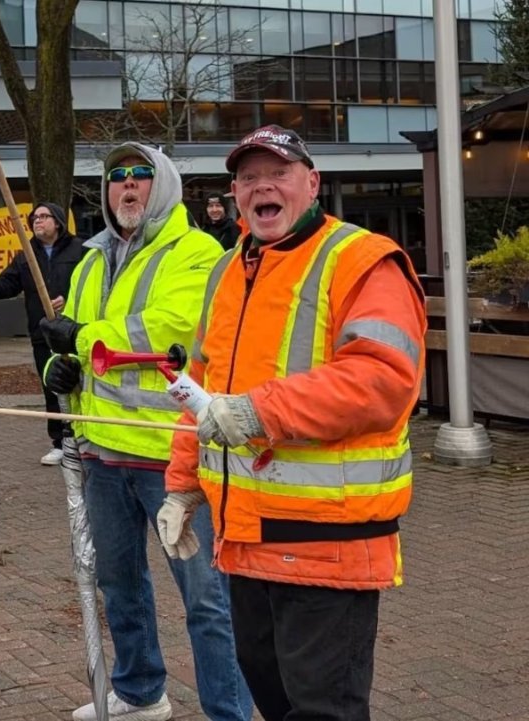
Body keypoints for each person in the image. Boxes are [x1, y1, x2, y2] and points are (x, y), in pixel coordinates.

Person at [158, 126, 426, 721]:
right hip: (246, 544)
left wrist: (258, 412)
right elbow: (199, 390)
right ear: (234, 194)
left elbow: (383, 381)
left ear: (312, 183)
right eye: (249, 178)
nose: (262, 187)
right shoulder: (228, 271)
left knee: (322, 712)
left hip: (328, 547)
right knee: (277, 707)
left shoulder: (362, 260)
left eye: (277, 173)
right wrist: (181, 486)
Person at [39, 143, 252, 721]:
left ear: (163, 186)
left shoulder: (196, 251)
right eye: (117, 178)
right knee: (119, 585)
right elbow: (79, 353)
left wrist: (79, 337)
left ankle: (228, 711)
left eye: (140, 176)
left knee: (206, 600)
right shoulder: (88, 261)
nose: (128, 186)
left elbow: (163, 332)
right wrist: (56, 371)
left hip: (175, 459)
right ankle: (139, 692)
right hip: (103, 452)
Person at [0, 201, 85, 467]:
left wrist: (71, 299)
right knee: (51, 386)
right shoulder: (25, 256)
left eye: (44, 216)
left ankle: (85, 439)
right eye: (34, 218)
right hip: (42, 333)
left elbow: (92, 285)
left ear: (59, 221)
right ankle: (60, 442)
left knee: (82, 386)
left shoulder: (81, 250)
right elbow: (4, 286)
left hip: (77, 331)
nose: (38, 221)